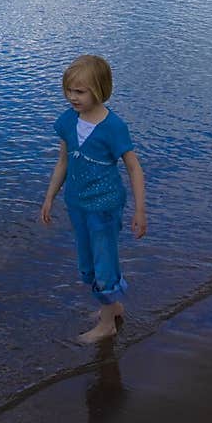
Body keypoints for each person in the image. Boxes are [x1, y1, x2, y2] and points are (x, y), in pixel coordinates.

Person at [40, 54, 147, 344]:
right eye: (68, 90)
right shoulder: (67, 121)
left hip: (104, 206)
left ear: (99, 90)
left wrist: (140, 210)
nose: (71, 97)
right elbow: (63, 162)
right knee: (86, 262)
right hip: (77, 203)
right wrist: (49, 197)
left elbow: (134, 168)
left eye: (79, 91)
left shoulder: (113, 127)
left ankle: (107, 325)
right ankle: (112, 308)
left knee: (104, 262)